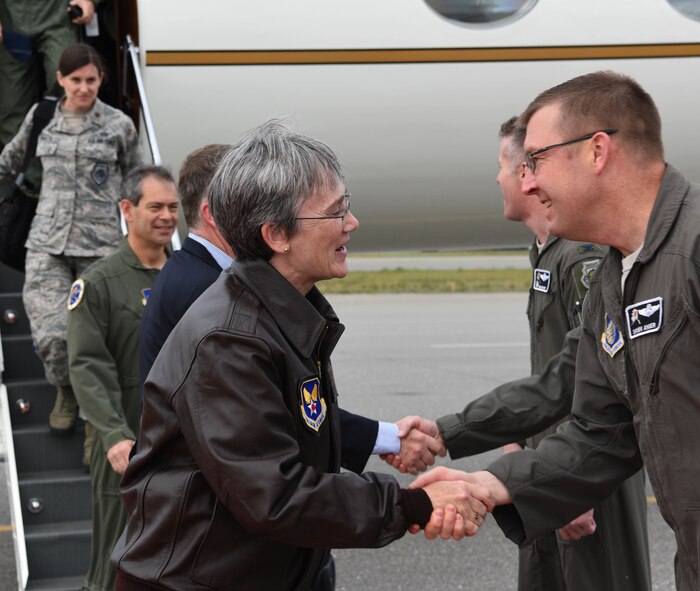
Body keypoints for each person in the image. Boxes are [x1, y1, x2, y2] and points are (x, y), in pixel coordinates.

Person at [415, 71, 700, 590]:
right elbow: (600, 435)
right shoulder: (615, 279)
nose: (526, 183)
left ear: (597, 151)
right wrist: (489, 483)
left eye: (535, 161)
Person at [111, 121, 492, 591]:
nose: (351, 223)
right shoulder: (230, 339)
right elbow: (274, 494)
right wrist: (414, 502)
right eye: (335, 212)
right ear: (276, 234)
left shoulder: (283, 314)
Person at [138, 143, 444, 479]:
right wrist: (401, 486)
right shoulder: (209, 295)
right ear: (216, 213)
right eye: (251, 201)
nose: (351, 222)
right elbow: (269, 477)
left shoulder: (213, 279)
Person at [438, 118, 650, 591]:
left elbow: (603, 377)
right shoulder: (547, 253)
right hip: (544, 466)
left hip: (585, 471)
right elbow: (553, 370)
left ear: (526, 174)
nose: (497, 178)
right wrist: (519, 439)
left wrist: (576, 487)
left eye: (501, 166)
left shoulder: (581, 258)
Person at [0, 42, 142, 435]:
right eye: (75, 80)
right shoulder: (42, 115)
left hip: (101, 251)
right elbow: (9, 161)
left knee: (100, 340)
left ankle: (98, 417)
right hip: (47, 245)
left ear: (101, 80)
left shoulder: (118, 126)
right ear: (60, 79)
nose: (83, 88)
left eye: (91, 80)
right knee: (51, 335)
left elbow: (138, 181)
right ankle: (66, 390)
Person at [66, 166, 178, 591]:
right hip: (124, 445)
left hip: (179, 442)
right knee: (116, 561)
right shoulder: (98, 284)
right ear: (127, 210)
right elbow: (88, 366)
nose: (167, 216)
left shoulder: (188, 278)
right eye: (156, 207)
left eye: (173, 207)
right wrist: (113, 434)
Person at [0, 0, 98, 151]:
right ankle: (21, 169)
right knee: (13, 102)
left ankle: (66, 157)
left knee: (68, 83)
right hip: (11, 19)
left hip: (59, 17)